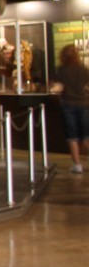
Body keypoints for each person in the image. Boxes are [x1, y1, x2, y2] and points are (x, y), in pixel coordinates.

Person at [51, 44, 89, 174]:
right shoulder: (84, 69)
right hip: (84, 103)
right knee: (86, 135)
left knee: (72, 136)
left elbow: (58, 88)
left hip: (68, 104)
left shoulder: (61, 70)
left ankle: (77, 164)